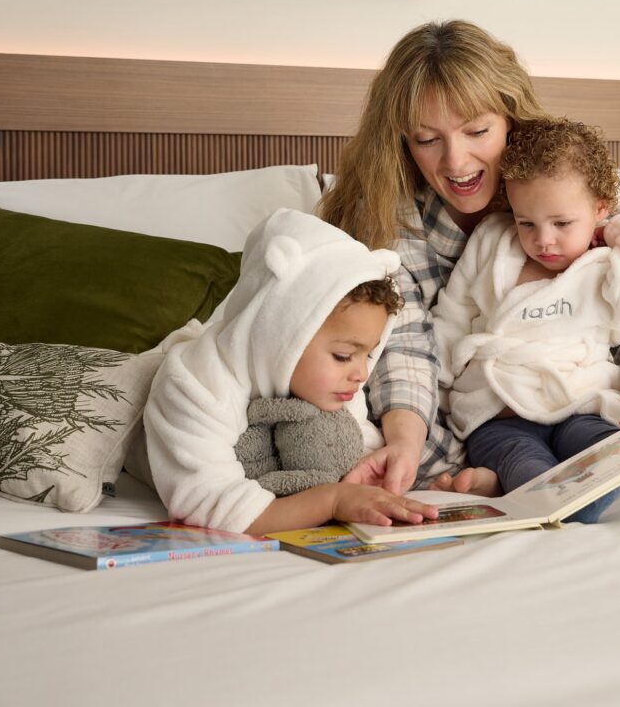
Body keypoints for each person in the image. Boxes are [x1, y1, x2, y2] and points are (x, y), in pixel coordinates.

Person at [321, 20, 620, 497]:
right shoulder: (392, 215)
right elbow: (407, 345)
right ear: (403, 141)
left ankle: (548, 470)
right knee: (344, 435)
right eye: (428, 140)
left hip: (590, 396)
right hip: (475, 412)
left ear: (510, 117)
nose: (456, 161)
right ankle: (593, 466)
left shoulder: (579, 187)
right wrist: (407, 439)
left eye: (477, 131)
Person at [433, 117, 620, 519]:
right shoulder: (493, 241)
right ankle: (564, 503)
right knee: (521, 462)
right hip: (498, 411)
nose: (543, 239)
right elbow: (452, 316)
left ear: (600, 207)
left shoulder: (609, 264)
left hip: (578, 401)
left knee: (616, 449)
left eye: (562, 223)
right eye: (526, 222)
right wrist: (438, 391)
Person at [144, 208, 438, 535]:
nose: (361, 374)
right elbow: (210, 503)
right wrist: (330, 501)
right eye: (343, 356)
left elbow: (350, 447)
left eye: (368, 355)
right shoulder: (196, 383)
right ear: (281, 335)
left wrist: (385, 482)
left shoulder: (338, 385)